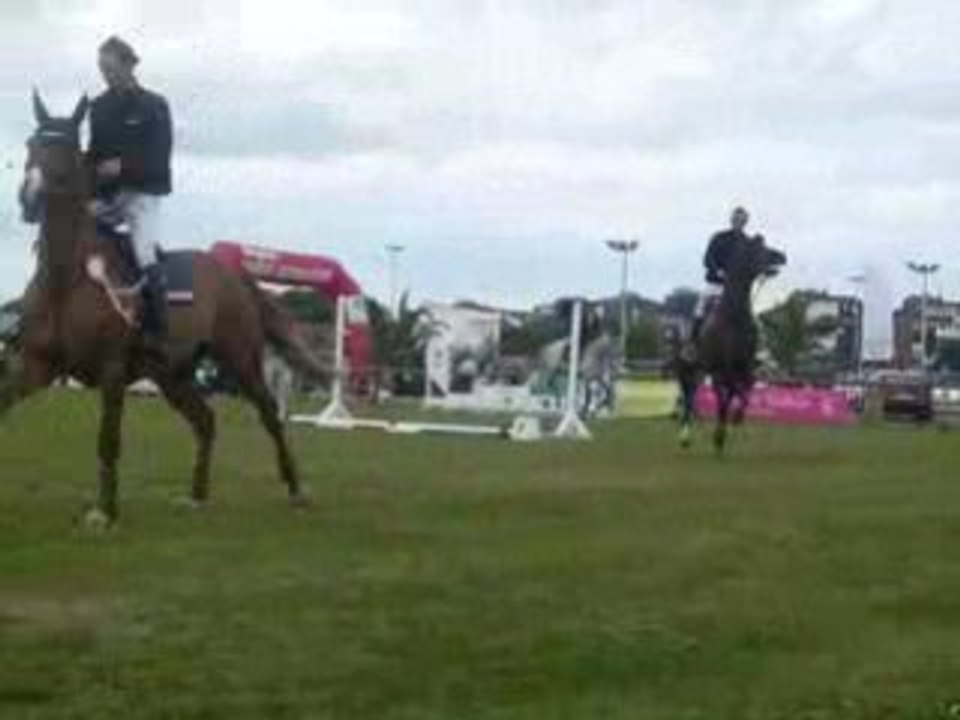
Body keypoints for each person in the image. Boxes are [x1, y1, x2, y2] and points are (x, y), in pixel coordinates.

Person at [87, 35, 173, 356]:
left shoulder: (154, 105)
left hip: (143, 196)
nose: (104, 75)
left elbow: (160, 156)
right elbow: (94, 156)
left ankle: (160, 329)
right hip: (108, 199)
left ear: (128, 65)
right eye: (101, 69)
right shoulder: (98, 108)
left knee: (145, 253)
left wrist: (122, 167)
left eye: (108, 68)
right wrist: (88, 191)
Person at [691, 206, 756, 341]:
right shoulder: (719, 238)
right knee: (700, 308)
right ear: (732, 220)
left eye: (742, 220)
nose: (739, 222)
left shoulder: (748, 243)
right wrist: (718, 271)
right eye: (736, 219)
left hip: (737, 288)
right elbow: (707, 258)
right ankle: (692, 345)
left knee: (752, 315)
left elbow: (752, 264)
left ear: (745, 222)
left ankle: (752, 348)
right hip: (716, 284)